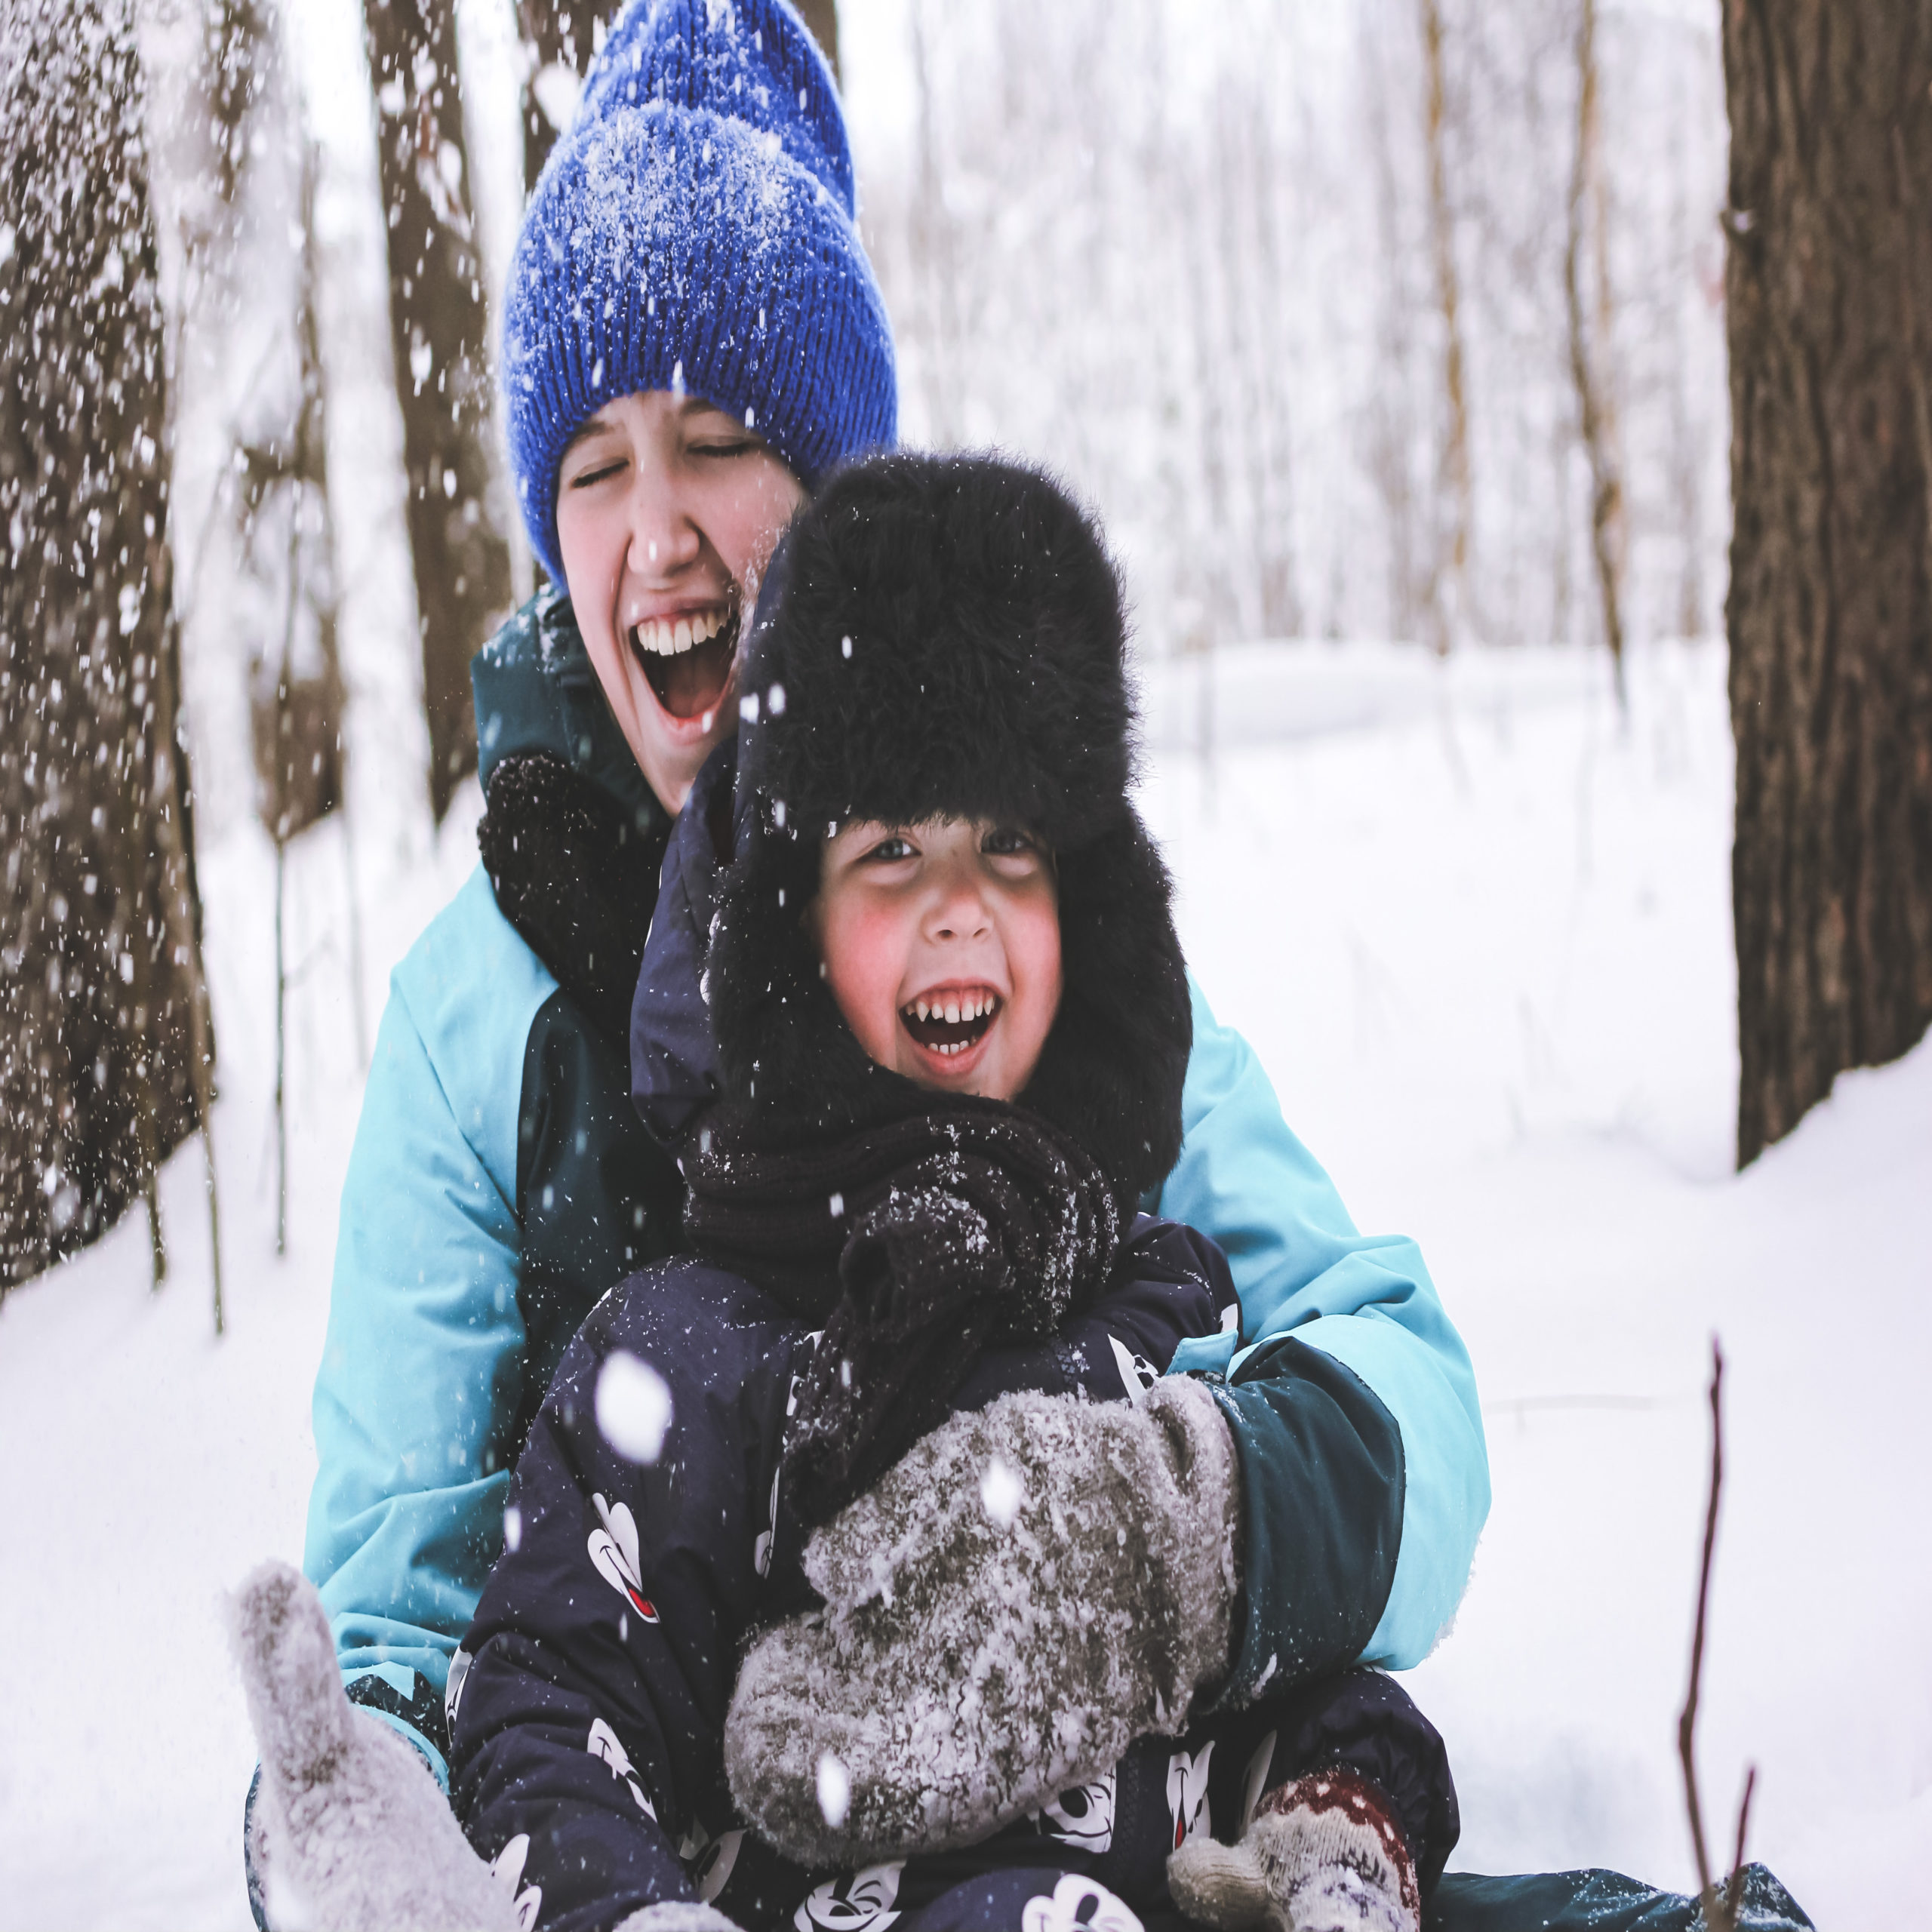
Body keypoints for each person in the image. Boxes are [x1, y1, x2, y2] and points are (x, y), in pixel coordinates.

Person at [300, 0, 1487, 1820]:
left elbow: (1396, 1387)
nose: (657, 530)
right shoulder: (485, 1010)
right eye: (594, 466)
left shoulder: (1015, 913)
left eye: (715, 439)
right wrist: (360, 1809)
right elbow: (393, 1605)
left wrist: (1180, 1526)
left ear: (838, 486)